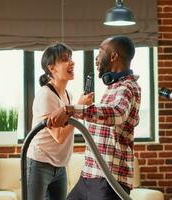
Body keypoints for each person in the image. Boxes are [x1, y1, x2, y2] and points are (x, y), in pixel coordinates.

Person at [47, 36, 141, 200]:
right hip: (89, 175)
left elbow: (116, 114)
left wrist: (69, 109)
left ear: (113, 56)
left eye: (100, 52)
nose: (97, 58)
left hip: (110, 181)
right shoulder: (114, 87)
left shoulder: (127, 87)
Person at [26, 43, 93, 200]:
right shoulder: (46, 95)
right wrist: (78, 107)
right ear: (52, 68)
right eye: (64, 59)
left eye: (70, 58)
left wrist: (78, 108)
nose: (71, 62)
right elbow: (59, 136)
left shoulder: (68, 95)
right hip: (39, 163)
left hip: (60, 165)